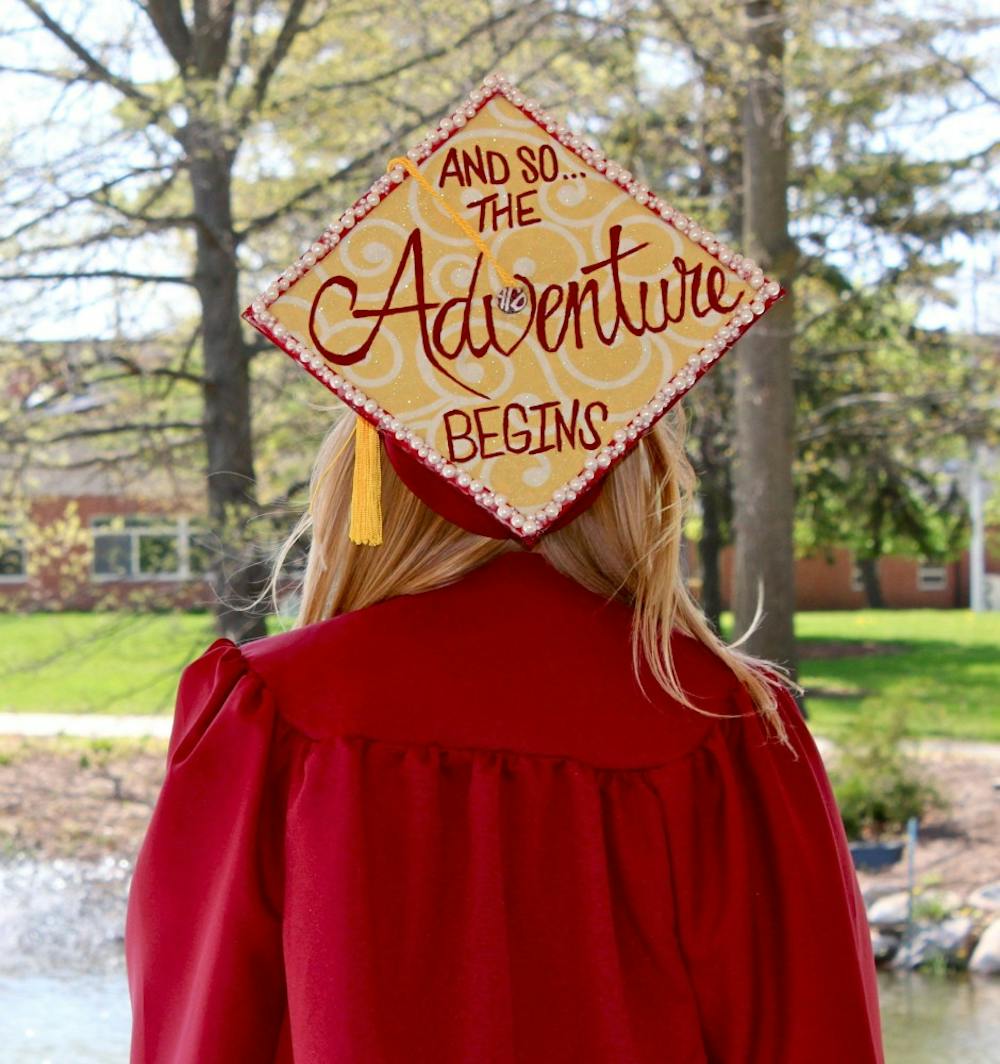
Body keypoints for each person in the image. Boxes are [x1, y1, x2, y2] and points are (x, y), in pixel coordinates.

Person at [125, 73, 885, 1063]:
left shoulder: (274, 718)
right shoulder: (728, 732)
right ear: (640, 468)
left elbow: (196, 1040)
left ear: (365, 471)